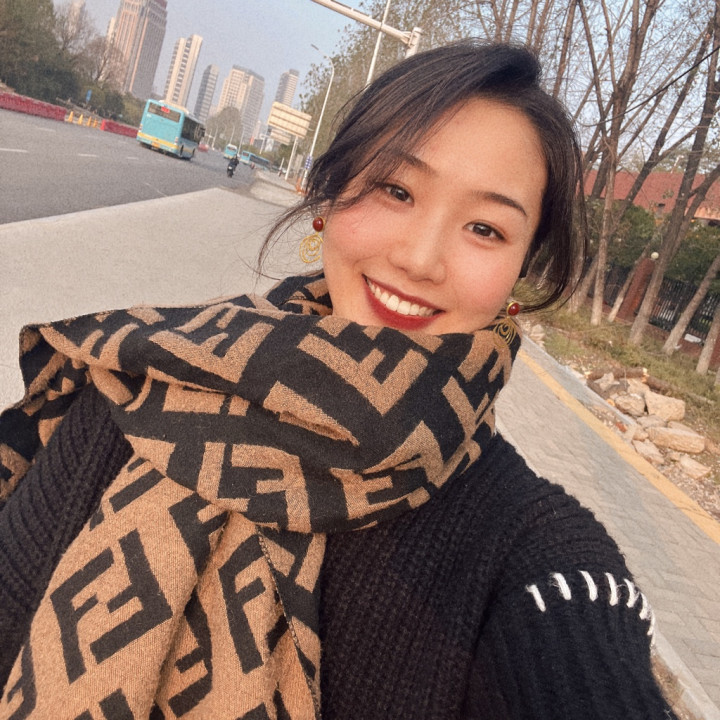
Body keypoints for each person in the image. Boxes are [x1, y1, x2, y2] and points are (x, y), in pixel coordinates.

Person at [0, 41, 676, 719]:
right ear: (330, 193)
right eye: (396, 190)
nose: (420, 259)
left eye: (484, 228)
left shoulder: (525, 544)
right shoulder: (144, 382)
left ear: (521, 270)